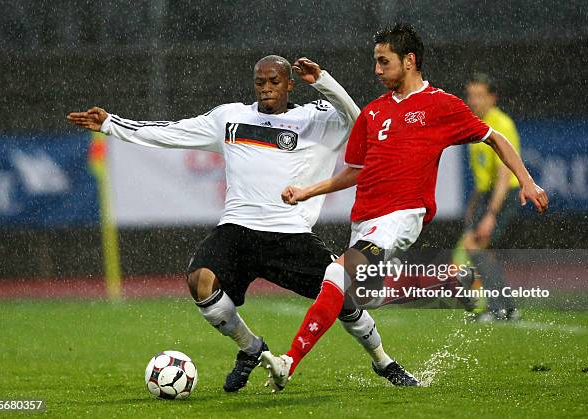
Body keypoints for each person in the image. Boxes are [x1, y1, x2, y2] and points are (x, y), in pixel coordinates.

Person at [67, 56, 413, 392]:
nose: (266, 88)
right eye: (260, 82)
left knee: (342, 298)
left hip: (289, 235)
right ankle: (251, 348)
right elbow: (172, 132)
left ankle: (383, 361)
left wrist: (323, 81)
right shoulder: (230, 118)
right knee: (199, 281)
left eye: (274, 82)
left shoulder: (315, 119)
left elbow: (359, 122)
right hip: (237, 230)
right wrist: (112, 123)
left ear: (290, 85)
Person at [260, 24, 548, 392]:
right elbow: (356, 172)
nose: (377, 70)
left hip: (401, 217)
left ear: (409, 61)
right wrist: (308, 191)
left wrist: (526, 180)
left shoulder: (441, 105)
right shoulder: (374, 113)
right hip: (364, 220)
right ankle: (404, 322)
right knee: (352, 302)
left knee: (335, 274)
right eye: (375, 62)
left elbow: (496, 139)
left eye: (384, 62)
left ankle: (288, 362)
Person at [455, 73, 523, 321]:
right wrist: (474, 206)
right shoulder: (476, 123)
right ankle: (507, 308)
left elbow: (504, 177)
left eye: (480, 96)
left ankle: (498, 308)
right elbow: (482, 178)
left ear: (493, 98)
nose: (474, 101)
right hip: (488, 195)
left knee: (475, 246)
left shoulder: (501, 125)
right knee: (482, 250)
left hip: (504, 194)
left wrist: (491, 215)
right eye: (471, 96)